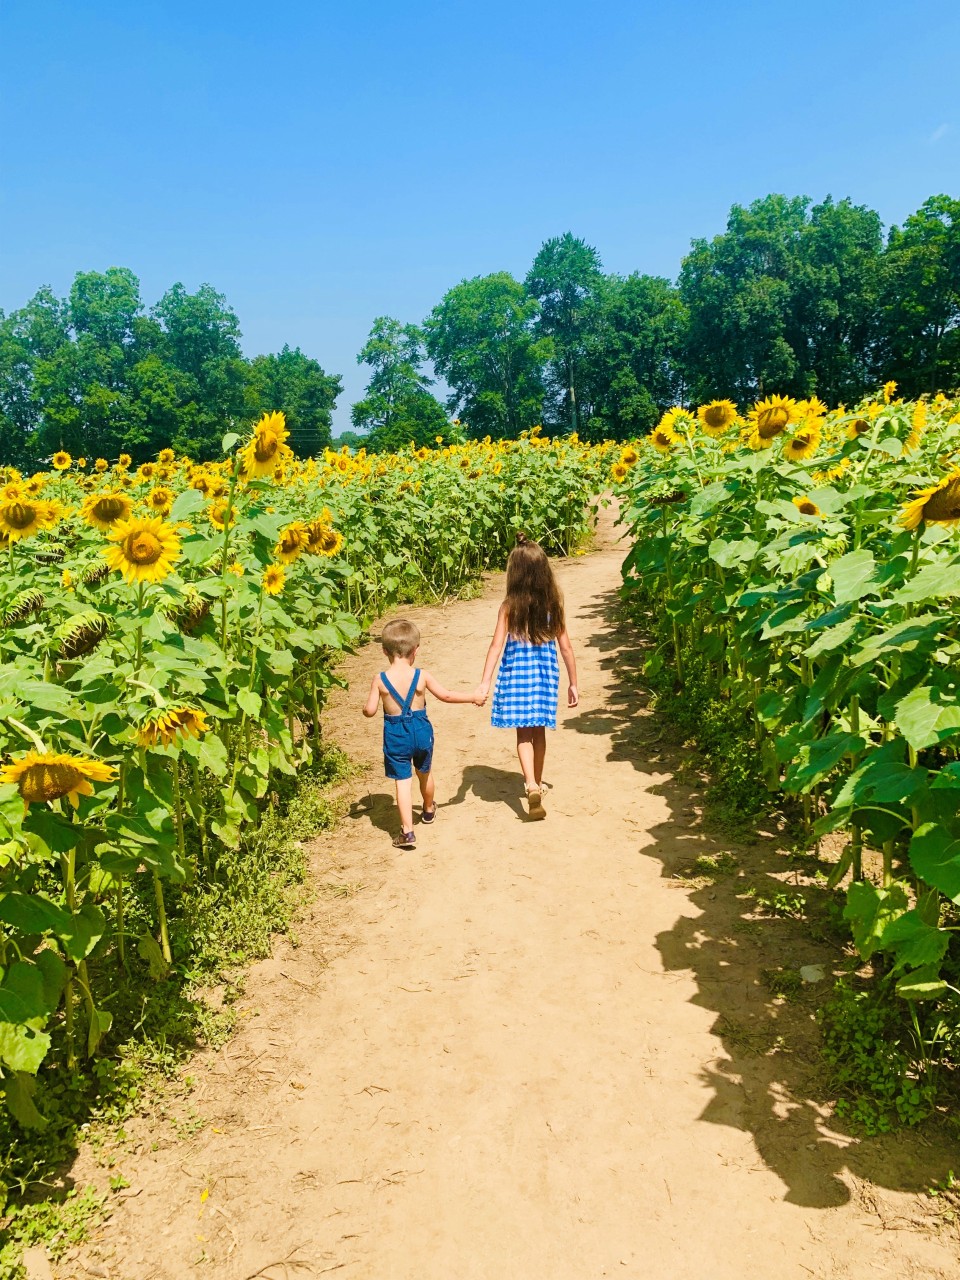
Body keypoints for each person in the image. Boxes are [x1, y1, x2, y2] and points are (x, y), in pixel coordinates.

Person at [474, 534, 578, 818]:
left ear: (515, 574)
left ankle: (530, 782)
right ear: (544, 570)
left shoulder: (510, 606)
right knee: (540, 731)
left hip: (517, 678)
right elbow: (566, 647)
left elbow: (496, 646)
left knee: (523, 734)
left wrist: (485, 682)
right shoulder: (553, 605)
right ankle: (538, 782)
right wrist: (573, 683)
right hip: (545, 679)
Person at [363, 617, 482, 850]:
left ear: (384, 650)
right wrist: (473, 697)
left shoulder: (380, 680)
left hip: (396, 734)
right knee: (424, 772)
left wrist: (366, 710)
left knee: (403, 781)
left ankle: (407, 831)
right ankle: (428, 810)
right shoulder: (421, 676)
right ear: (415, 650)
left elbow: (370, 710)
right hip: (421, 730)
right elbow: (446, 695)